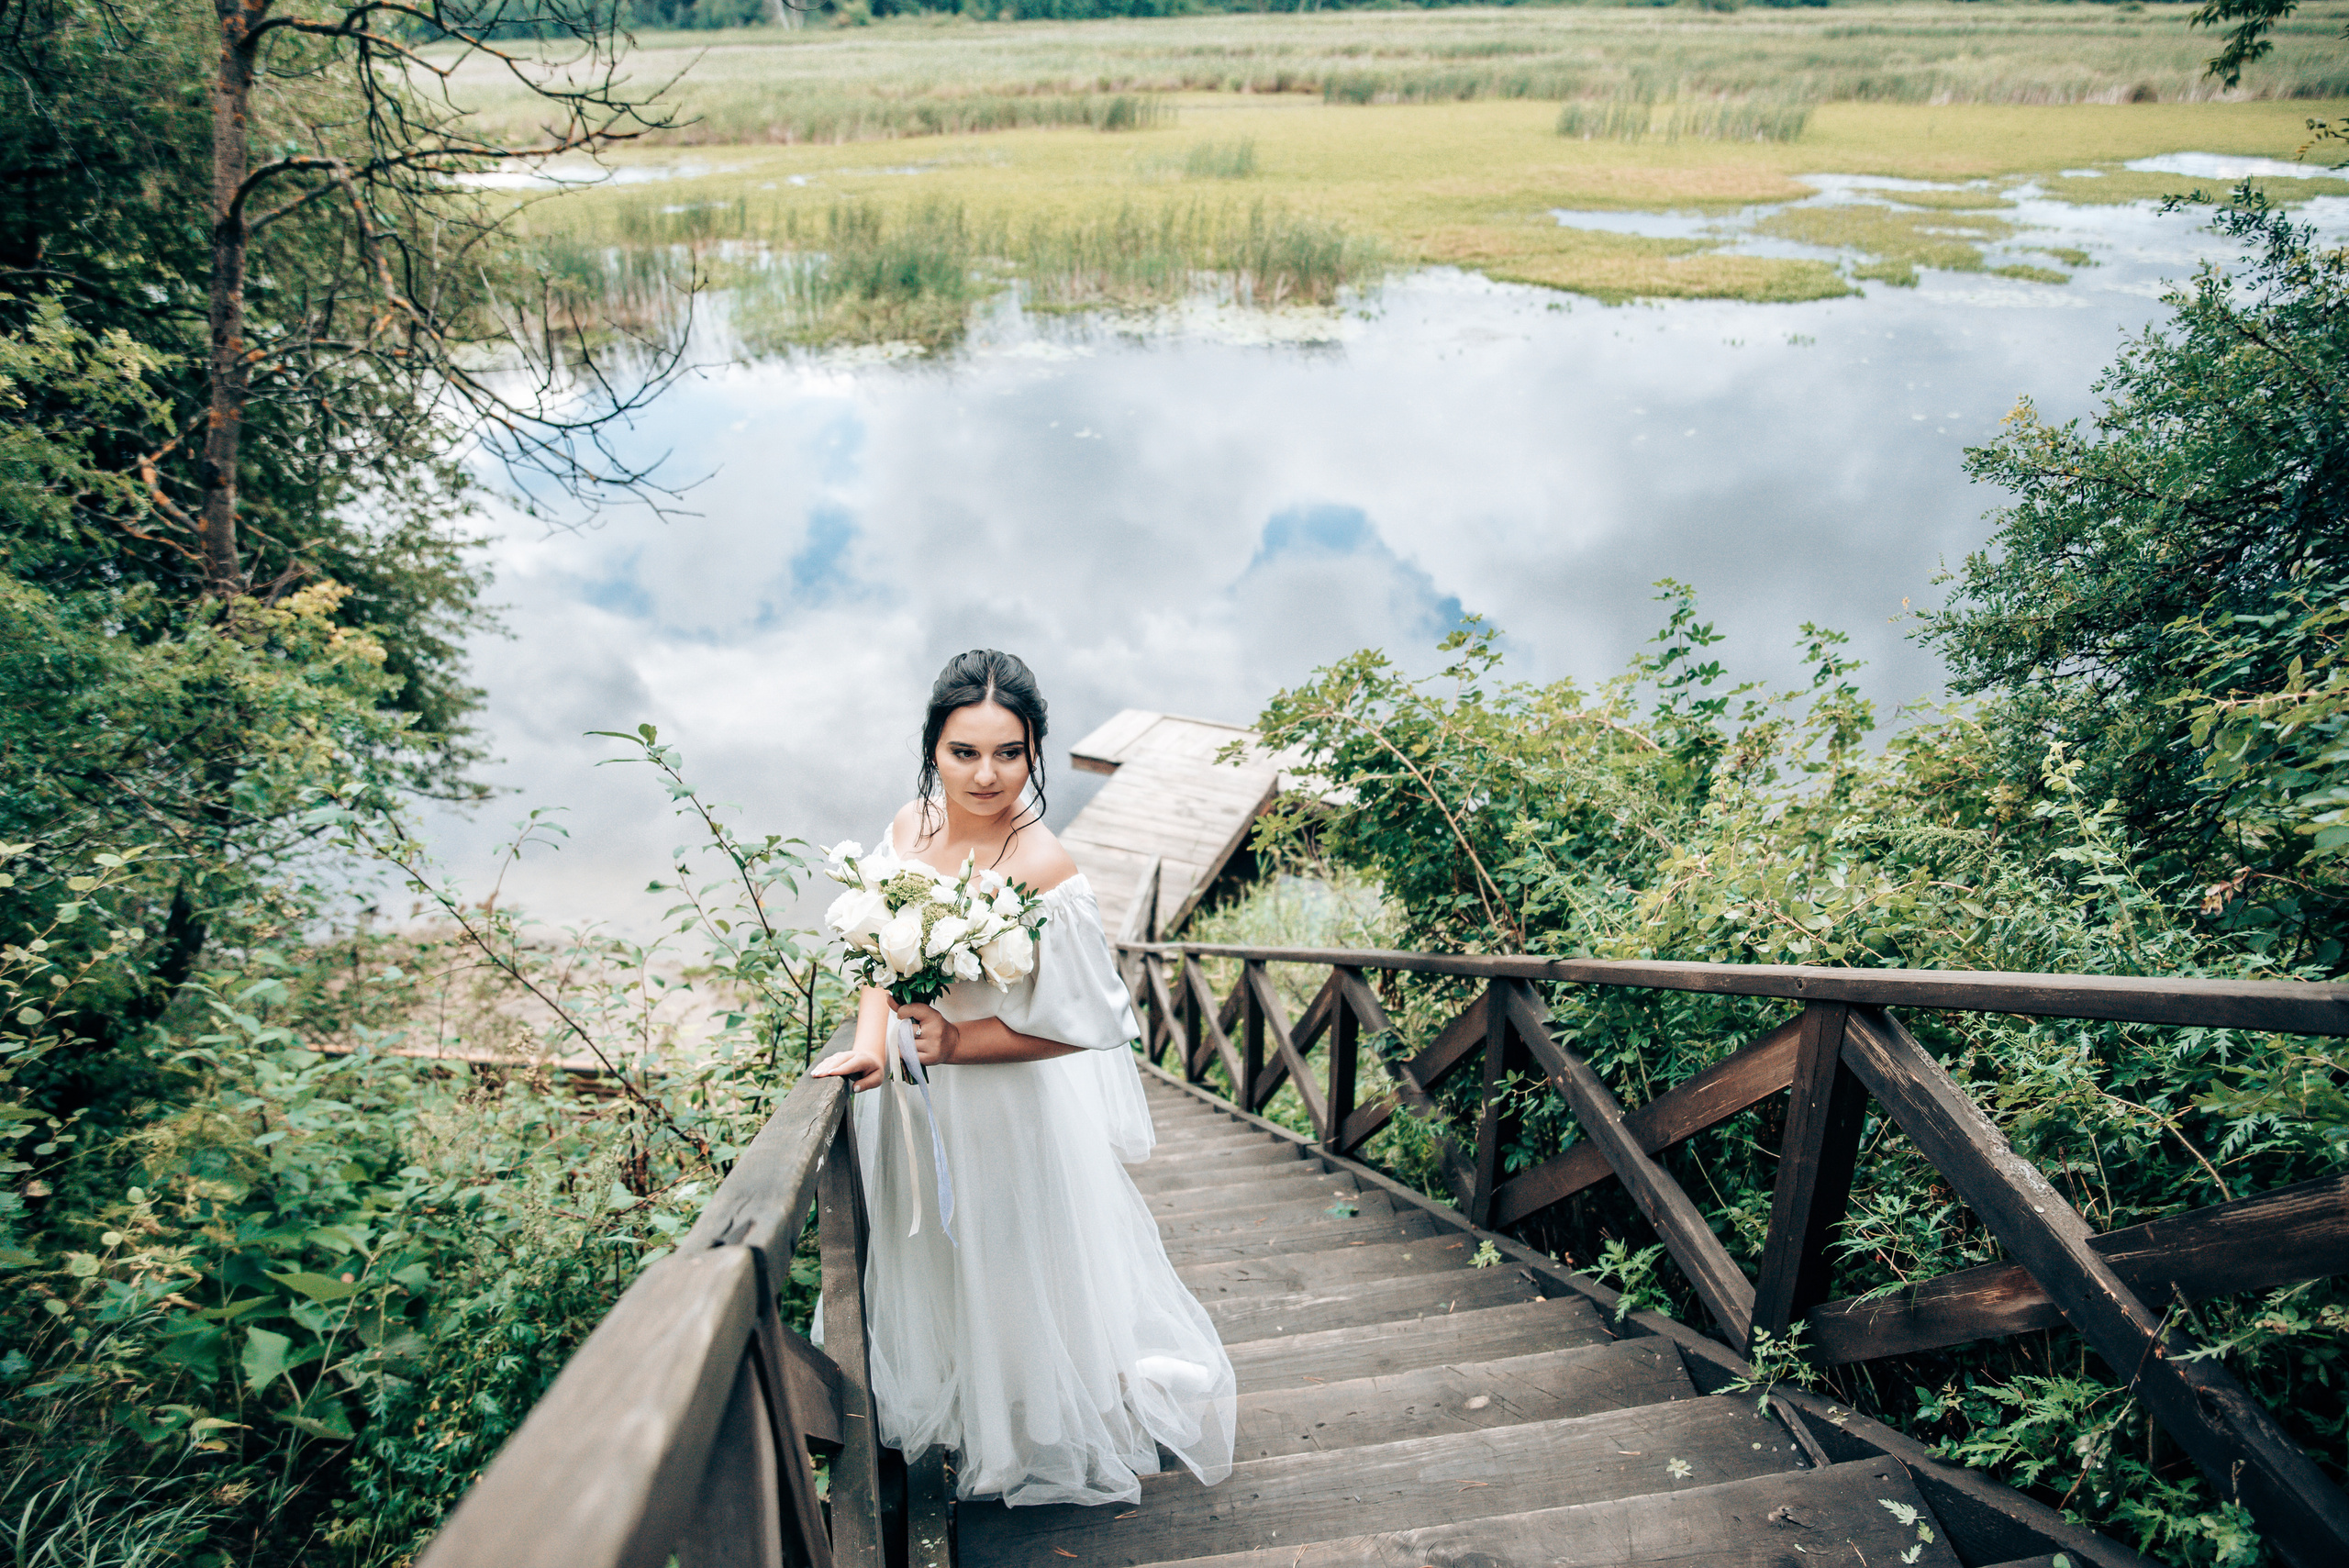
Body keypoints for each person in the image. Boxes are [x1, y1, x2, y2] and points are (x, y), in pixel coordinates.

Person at [810, 650, 1236, 1508]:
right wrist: (868, 1043)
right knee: (926, 1258)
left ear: (1036, 749)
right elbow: (877, 957)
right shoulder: (908, 826)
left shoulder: (1047, 868)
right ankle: (953, 1408)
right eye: (964, 751)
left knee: (1002, 1261)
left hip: (1000, 1107)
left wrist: (961, 1041)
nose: (986, 774)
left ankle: (1016, 1435)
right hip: (904, 1101)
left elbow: (1090, 1027)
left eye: (1008, 752)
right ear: (933, 746)